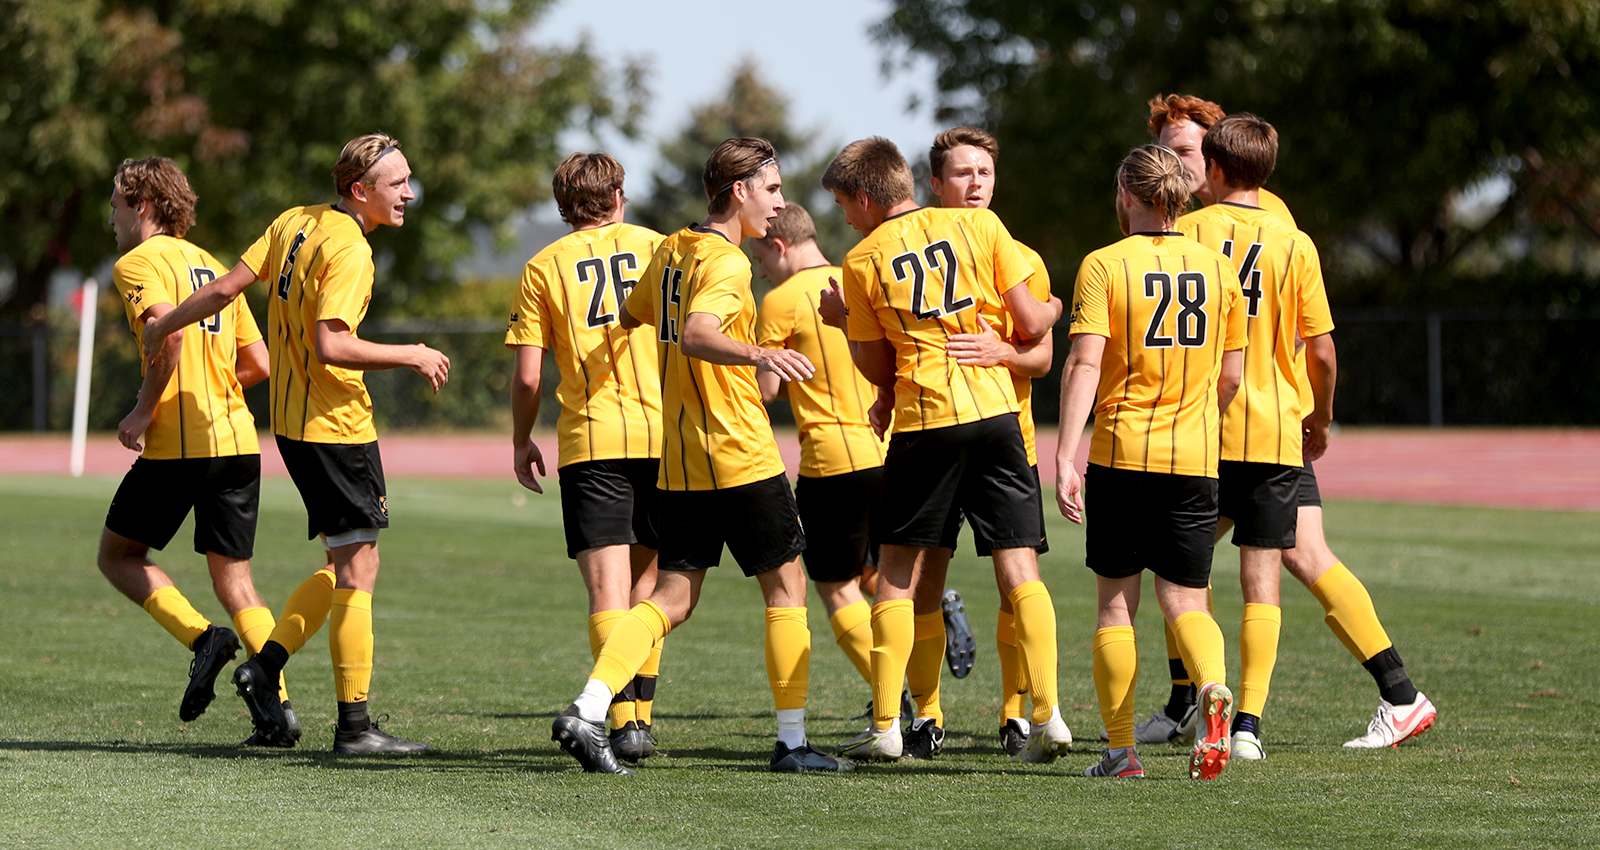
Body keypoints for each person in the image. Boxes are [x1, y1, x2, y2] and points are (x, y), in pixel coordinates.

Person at [1139, 95, 1437, 750]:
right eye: (1164, 150)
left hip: (1236, 423)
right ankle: (1204, 702)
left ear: (1215, 157)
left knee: (1201, 563)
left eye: (1185, 150)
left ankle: (1220, 706)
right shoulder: (1267, 225)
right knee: (1281, 558)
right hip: (1277, 423)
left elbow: (1292, 334)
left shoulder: (1225, 224)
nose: (1174, 163)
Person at [549, 138, 852, 775]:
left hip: (681, 456)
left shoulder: (670, 249)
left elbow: (632, 317)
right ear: (738, 191)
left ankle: (589, 705)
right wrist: (759, 353)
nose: (779, 203)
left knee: (671, 597)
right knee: (788, 587)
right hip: (738, 448)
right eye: (771, 189)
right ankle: (793, 745)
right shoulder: (729, 264)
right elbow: (697, 333)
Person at [144, 133, 452, 754]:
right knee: (359, 570)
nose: (409, 193)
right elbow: (332, 345)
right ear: (359, 191)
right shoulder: (351, 250)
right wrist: (413, 353)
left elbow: (229, 288)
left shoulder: (292, 220)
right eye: (398, 185)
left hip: (288, 422)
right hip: (334, 426)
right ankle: (355, 727)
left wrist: (166, 323)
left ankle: (268, 664)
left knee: (346, 563)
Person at [822, 136, 1069, 765]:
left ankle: (886, 725)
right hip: (994, 414)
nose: (848, 218)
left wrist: (844, 320)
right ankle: (1049, 716)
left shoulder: (859, 261)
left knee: (898, 578)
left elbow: (879, 367)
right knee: (1021, 572)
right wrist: (1056, 305)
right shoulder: (980, 226)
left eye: (847, 205)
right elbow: (1033, 324)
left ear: (868, 197)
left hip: (927, 419)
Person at [1055, 143, 1247, 780]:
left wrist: (1064, 455)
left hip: (1120, 452)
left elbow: (1084, 363)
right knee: (1188, 600)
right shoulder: (1220, 271)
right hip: (1195, 461)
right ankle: (1214, 687)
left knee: (1117, 606)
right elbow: (1231, 377)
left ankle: (1119, 753)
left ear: (1128, 196)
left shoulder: (1103, 265)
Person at [99, 156, 289, 742]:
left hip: (177, 445)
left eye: (115, 202)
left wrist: (145, 408)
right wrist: (215, 384)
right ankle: (276, 707)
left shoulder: (136, 262)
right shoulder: (213, 266)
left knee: (118, 556)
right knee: (236, 581)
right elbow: (257, 363)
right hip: (236, 441)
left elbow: (168, 334)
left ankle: (205, 640)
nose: (111, 215)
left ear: (143, 206)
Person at [1176, 114, 1336, 760]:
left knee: (1182, 577)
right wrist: (1319, 419)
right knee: (1261, 584)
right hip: (1275, 433)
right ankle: (1248, 726)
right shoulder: (1294, 242)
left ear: (1212, 169)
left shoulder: (1186, 231)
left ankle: (1200, 691)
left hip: (1201, 429)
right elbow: (1321, 349)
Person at [507, 152, 667, 763]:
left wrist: (522, 439)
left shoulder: (542, 266)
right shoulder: (659, 248)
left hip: (591, 441)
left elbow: (527, 378)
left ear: (561, 203)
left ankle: (611, 720)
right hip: (663, 438)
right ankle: (634, 724)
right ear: (619, 195)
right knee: (649, 587)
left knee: (608, 592)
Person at [928, 127, 1056, 756]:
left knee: (1015, 582)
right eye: (962, 173)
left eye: (984, 172)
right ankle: (925, 714)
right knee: (924, 573)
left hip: (1012, 440)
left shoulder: (1018, 253)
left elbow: (1041, 356)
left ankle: (1017, 714)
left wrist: (1005, 349)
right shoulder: (911, 248)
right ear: (935, 184)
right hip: (930, 432)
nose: (975, 183)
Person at [750, 202, 888, 728]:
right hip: (889, 449)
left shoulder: (780, 301)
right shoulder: (859, 280)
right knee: (891, 582)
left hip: (831, 460)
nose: (761, 267)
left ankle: (891, 694)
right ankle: (921, 703)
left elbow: (766, 388)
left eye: (763, 255)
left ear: (780, 246)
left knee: (836, 587)